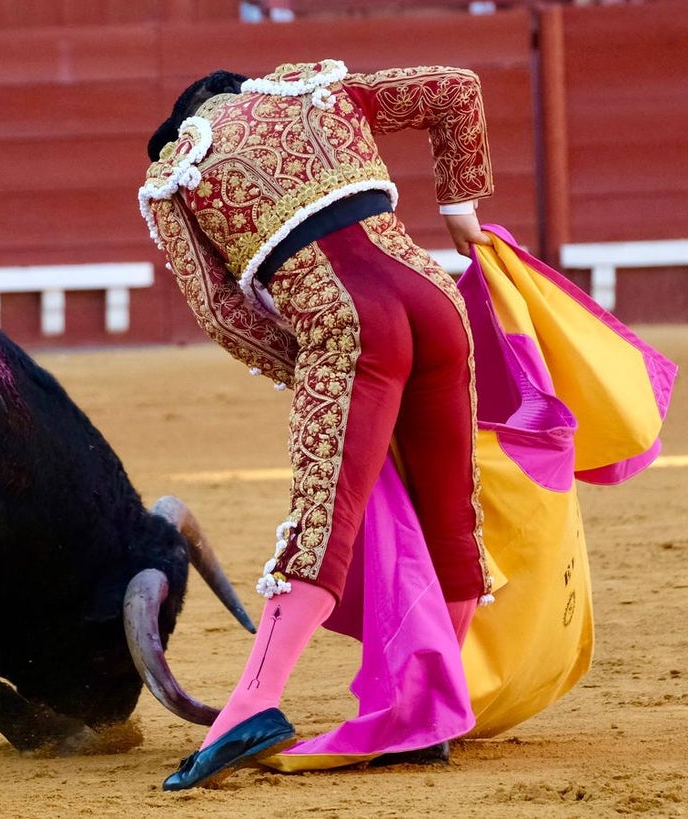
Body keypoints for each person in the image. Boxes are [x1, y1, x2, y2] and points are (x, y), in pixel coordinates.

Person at [138, 59, 496, 790]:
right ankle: (430, 708)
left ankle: (250, 706)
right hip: (437, 300)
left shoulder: (175, 170)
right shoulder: (318, 89)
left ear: (184, 126)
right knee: (451, 518)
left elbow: (223, 312)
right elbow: (456, 87)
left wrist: (313, 370)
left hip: (346, 321)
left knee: (320, 519)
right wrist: (460, 203)